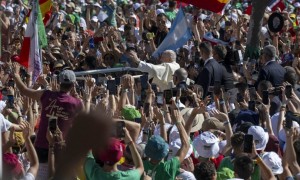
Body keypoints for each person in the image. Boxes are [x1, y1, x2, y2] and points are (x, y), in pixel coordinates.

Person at [11, 63, 82, 177]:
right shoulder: (77, 103)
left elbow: (24, 90)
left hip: (41, 149)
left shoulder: (46, 94)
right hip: (60, 150)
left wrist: (16, 75)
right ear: (73, 84)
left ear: (59, 82)